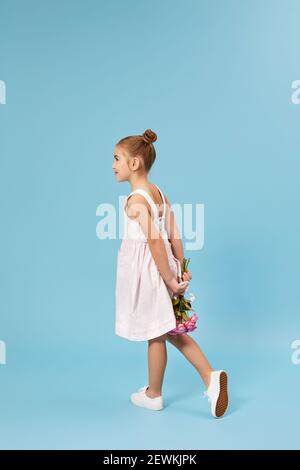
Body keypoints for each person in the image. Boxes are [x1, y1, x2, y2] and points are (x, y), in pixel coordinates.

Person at [113, 129, 228, 418]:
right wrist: (181, 268)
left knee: (156, 334)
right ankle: (210, 377)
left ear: (135, 163)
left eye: (117, 159)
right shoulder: (159, 194)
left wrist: (168, 279)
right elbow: (173, 234)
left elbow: (154, 240)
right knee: (169, 330)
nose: (113, 165)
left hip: (153, 273)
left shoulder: (135, 201)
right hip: (166, 268)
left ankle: (154, 394)